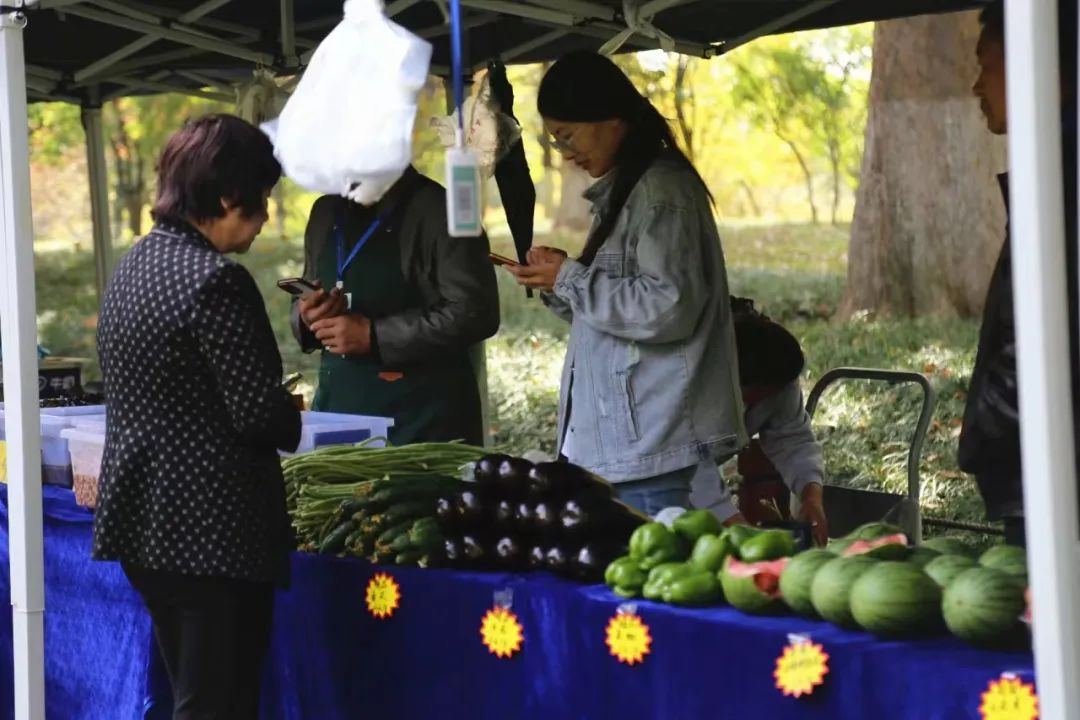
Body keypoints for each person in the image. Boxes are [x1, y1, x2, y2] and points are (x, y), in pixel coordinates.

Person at [93, 114, 301, 719]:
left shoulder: (135, 265)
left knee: (195, 696)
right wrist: (287, 407)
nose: (264, 217)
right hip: (212, 536)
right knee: (218, 705)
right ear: (228, 196)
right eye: (260, 201)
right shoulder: (216, 281)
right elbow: (260, 415)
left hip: (144, 523)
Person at [509, 51, 747, 516]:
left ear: (610, 119)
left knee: (648, 572)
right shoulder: (629, 189)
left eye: (567, 136)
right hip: (626, 441)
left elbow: (668, 307)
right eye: (557, 141)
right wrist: (558, 281)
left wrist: (570, 278)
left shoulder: (661, 192)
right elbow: (615, 307)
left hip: (653, 439)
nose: (566, 153)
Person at [962, 0, 1078, 547]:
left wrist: (997, 434)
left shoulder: (1065, 181)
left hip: (1049, 469)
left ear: (1039, 63)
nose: (977, 85)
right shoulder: (1050, 169)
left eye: (987, 64)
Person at [291, 165, 499, 446]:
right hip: (339, 409)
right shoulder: (325, 211)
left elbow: (475, 311)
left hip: (424, 423)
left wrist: (374, 336)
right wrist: (307, 316)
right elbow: (305, 292)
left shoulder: (443, 209)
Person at [690, 298, 829, 545]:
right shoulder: (698, 380)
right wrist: (738, 526)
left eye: (770, 393)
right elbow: (688, 463)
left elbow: (793, 439)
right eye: (752, 394)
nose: (762, 402)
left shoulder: (779, 376)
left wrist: (811, 497)